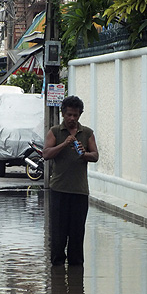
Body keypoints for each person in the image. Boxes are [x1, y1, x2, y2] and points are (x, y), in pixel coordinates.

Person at [43, 95, 99, 266]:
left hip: (79, 192)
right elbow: (46, 154)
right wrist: (64, 144)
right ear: (63, 114)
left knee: (77, 235)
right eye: (69, 115)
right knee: (58, 236)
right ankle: (57, 279)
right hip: (59, 191)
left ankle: (76, 281)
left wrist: (84, 154)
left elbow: (95, 156)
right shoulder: (54, 132)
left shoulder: (87, 133)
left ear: (80, 115)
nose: (72, 119)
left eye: (75, 115)